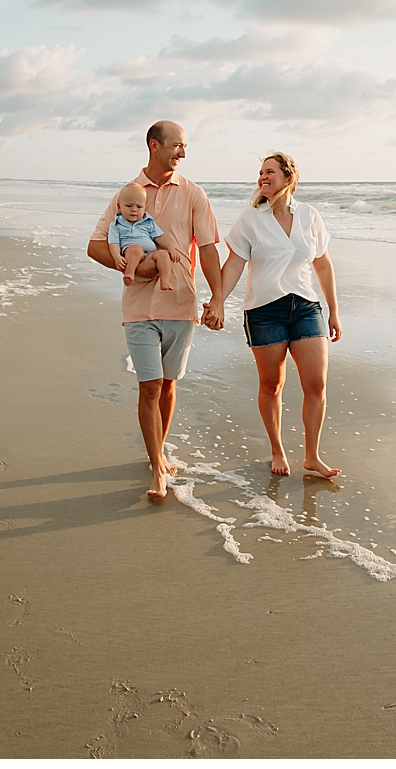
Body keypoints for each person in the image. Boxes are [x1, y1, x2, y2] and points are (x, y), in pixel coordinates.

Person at [87, 121, 223, 501]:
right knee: (149, 386)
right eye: (177, 145)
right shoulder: (127, 194)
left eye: (184, 146)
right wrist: (131, 266)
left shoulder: (194, 193)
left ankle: (158, 452)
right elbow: (96, 246)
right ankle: (157, 466)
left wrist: (219, 297)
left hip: (181, 304)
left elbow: (209, 247)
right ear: (154, 145)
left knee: (168, 385)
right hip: (138, 307)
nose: (183, 153)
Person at [205, 152, 342, 481]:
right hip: (265, 310)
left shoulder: (309, 215)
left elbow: (322, 263)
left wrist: (334, 310)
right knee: (271, 385)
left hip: (306, 306)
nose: (262, 177)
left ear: (288, 177)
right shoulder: (251, 218)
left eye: (270, 172)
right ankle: (278, 449)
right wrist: (217, 301)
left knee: (316, 385)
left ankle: (312, 456)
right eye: (260, 172)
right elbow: (234, 264)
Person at [105, 182, 185, 290]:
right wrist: (117, 257)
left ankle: (165, 281)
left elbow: (160, 237)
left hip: (150, 255)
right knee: (135, 249)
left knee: (163, 254)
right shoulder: (116, 224)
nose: (134, 210)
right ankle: (129, 274)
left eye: (139, 207)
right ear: (119, 207)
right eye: (129, 206)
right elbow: (113, 242)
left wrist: (171, 248)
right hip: (131, 253)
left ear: (144, 208)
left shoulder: (148, 222)